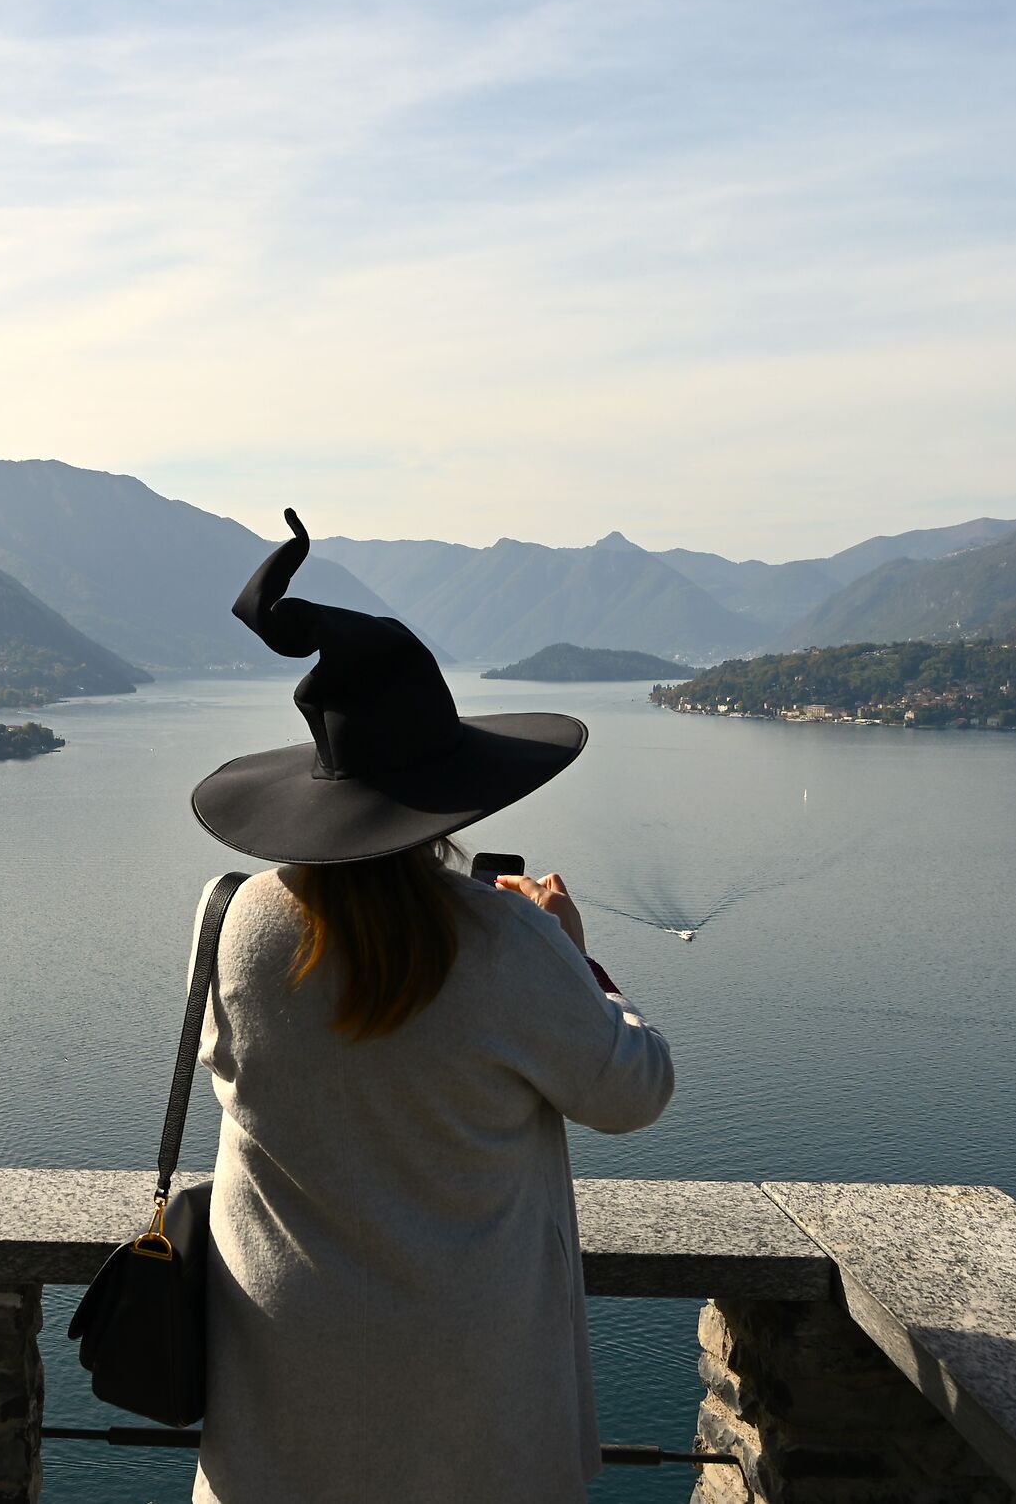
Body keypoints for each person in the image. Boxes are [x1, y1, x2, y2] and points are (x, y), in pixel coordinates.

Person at [184, 511, 675, 1504]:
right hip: (476, 1410)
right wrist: (577, 960)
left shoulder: (234, 922)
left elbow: (252, 1072)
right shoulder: (508, 943)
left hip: (283, 1407)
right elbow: (635, 1090)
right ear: (451, 797)